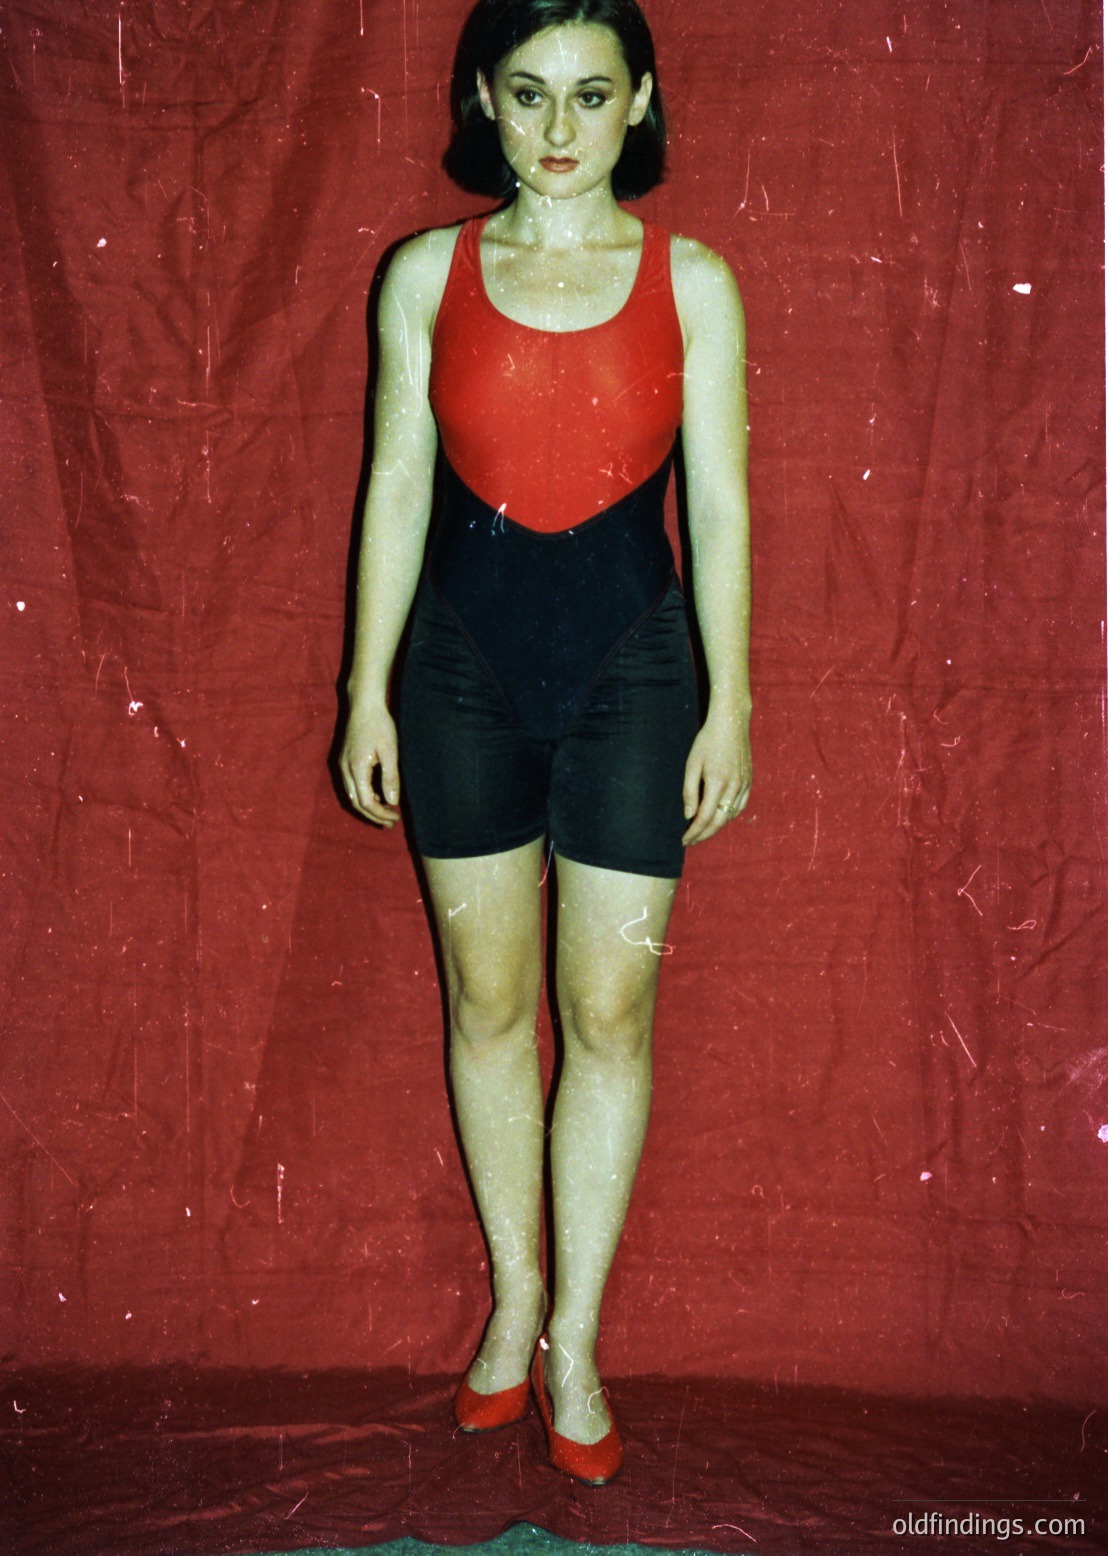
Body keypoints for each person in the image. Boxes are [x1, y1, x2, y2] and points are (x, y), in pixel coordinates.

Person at [339, 0, 751, 1486]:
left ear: (639, 104)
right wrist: (365, 689)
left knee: (610, 1017)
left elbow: (719, 508)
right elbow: (394, 482)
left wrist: (736, 698)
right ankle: (515, 1301)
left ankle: (579, 1333)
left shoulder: (694, 281)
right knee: (491, 1001)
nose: (562, 129)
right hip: (459, 671)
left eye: (592, 95)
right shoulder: (425, 276)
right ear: (486, 106)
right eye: (531, 96)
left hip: (638, 674)